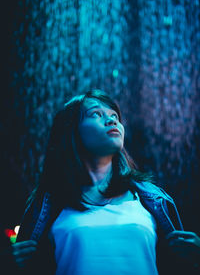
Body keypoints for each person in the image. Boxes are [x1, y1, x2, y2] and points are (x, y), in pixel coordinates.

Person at [3, 89, 200, 275]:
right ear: (72, 131)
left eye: (115, 116)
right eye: (96, 114)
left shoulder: (154, 200)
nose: (111, 121)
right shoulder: (46, 206)